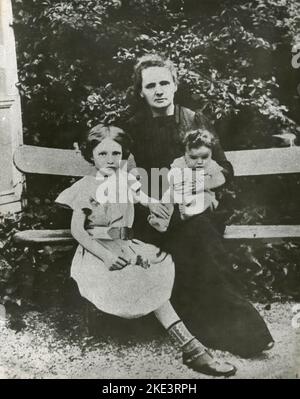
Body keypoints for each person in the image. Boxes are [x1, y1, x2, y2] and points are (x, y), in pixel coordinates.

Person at [124, 53, 274, 358]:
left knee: (202, 242)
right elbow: (129, 176)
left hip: (194, 210)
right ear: (141, 91)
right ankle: (201, 327)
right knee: (173, 243)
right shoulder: (134, 128)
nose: (159, 90)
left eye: (165, 82)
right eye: (150, 85)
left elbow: (224, 170)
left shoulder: (194, 120)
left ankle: (246, 334)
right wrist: (153, 203)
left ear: (175, 85)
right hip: (154, 212)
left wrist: (197, 186)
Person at [55, 123, 236, 377]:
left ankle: (192, 343)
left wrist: (157, 205)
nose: (110, 160)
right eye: (102, 154)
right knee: (143, 279)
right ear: (90, 155)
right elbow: (78, 231)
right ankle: (190, 347)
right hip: (98, 256)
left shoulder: (126, 180)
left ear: (125, 155)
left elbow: (146, 200)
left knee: (159, 266)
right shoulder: (86, 188)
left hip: (128, 247)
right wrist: (106, 256)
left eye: (116, 154)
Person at [148, 128, 226, 232]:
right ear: (185, 153)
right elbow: (171, 175)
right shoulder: (180, 163)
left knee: (206, 199)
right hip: (180, 193)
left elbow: (220, 178)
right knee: (168, 196)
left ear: (211, 154)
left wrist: (203, 184)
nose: (199, 162)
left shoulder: (211, 165)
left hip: (201, 195)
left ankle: (189, 213)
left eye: (204, 157)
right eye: (193, 158)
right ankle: (161, 220)